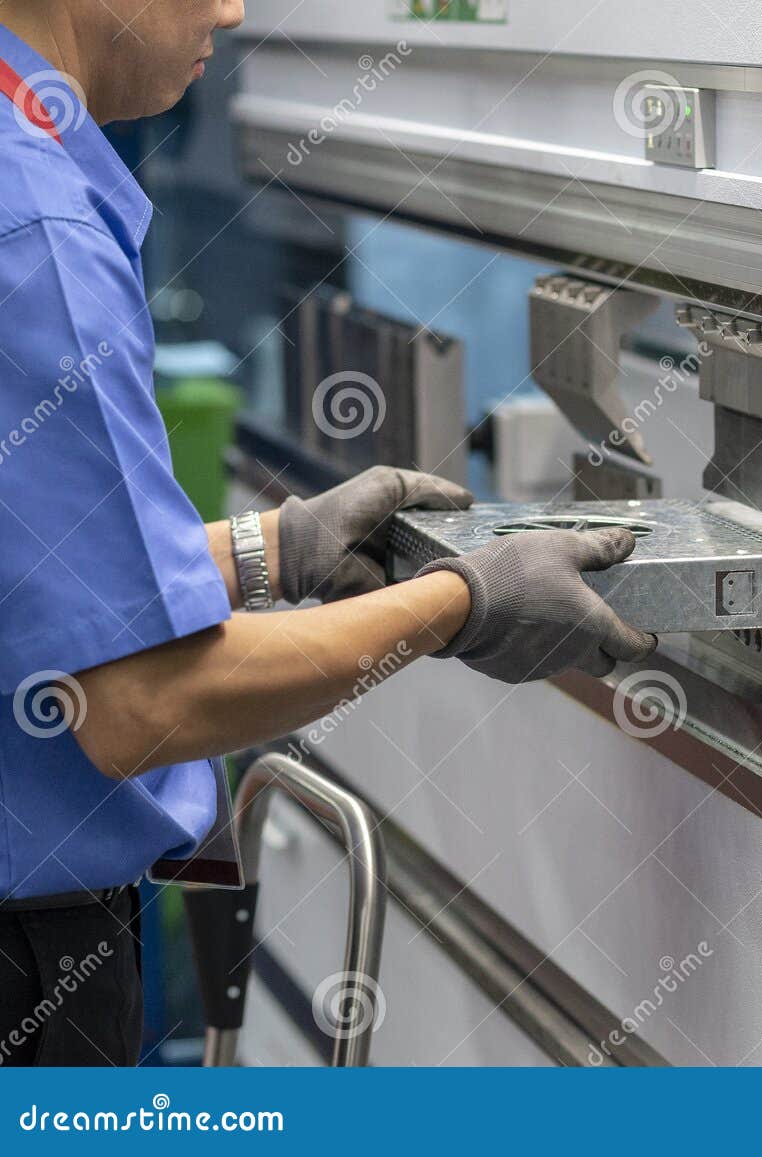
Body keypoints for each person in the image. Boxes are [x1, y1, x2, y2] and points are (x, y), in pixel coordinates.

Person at [0, 0, 655, 1065]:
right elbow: (135, 699)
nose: (232, 7)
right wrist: (463, 602)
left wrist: (273, 551)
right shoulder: (38, 232)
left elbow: (32, 589)